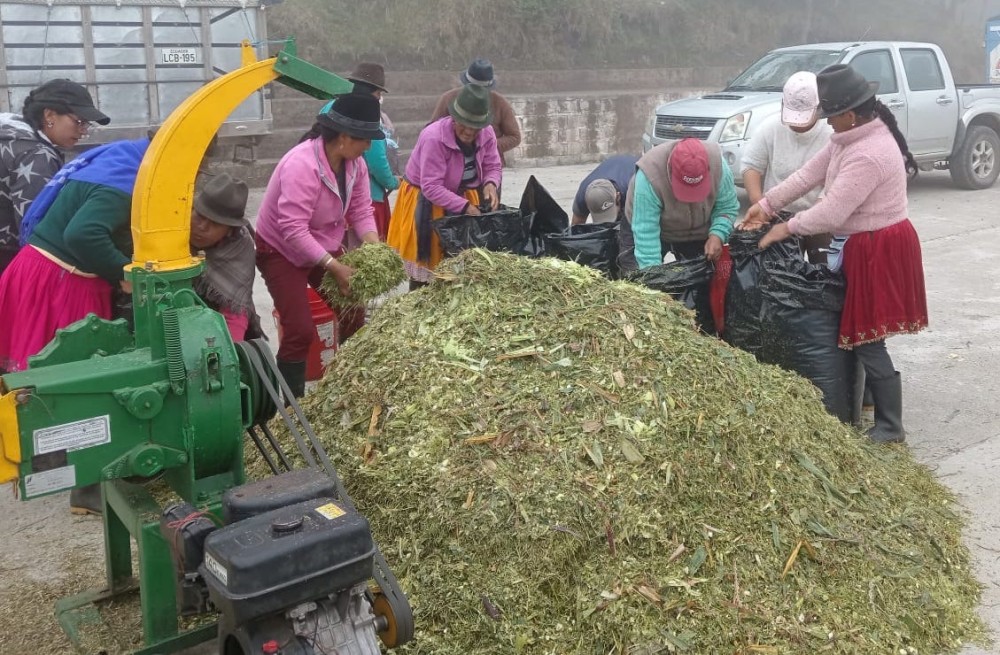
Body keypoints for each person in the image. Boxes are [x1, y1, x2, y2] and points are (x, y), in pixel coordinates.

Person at [741, 64, 927, 444]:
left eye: (831, 116)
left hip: (880, 247)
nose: (827, 124)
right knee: (862, 325)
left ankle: (891, 426)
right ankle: (873, 401)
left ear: (850, 114)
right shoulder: (849, 138)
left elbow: (831, 213)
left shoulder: (869, 153)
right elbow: (808, 174)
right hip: (862, 242)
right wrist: (767, 204)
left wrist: (783, 228)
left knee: (867, 333)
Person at [255, 93, 383, 398]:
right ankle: (289, 404)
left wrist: (375, 247)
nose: (369, 146)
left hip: (320, 244)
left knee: (353, 309)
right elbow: (292, 229)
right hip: (280, 249)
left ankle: (350, 385)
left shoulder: (355, 165)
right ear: (343, 137)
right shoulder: (302, 165)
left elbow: (361, 211)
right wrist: (335, 266)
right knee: (299, 328)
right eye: (365, 139)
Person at [0, 137, 148, 374]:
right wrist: (123, 273)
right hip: (58, 282)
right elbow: (84, 234)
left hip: (35, 268)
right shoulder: (123, 181)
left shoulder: (116, 159)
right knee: (52, 379)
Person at [386, 84, 502, 286]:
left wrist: (491, 184)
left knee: (465, 269)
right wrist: (466, 207)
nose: (469, 131)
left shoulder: (487, 133)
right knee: (429, 267)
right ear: (454, 117)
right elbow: (431, 187)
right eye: (464, 124)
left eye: (475, 126)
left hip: (467, 197)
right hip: (429, 202)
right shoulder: (434, 137)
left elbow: (492, 164)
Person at [0, 79, 110, 274]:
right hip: (8, 260)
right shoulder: (36, 154)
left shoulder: (10, 139)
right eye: (79, 121)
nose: (83, 131)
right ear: (49, 114)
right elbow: (37, 228)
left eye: (86, 124)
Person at [741, 71, 834, 264]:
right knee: (781, 271)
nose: (797, 125)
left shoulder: (831, 132)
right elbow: (751, 165)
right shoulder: (769, 128)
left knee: (826, 270)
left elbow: (835, 179)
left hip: (820, 214)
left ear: (818, 108)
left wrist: (819, 210)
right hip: (778, 213)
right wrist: (759, 202)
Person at [624, 137, 739, 269]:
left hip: (698, 229)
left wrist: (718, 234)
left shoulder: (719, 167)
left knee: (706, 280)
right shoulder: (650, 177)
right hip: (649, 227)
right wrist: (652, 278)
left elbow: (727, 207)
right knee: (634, 278)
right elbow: (646, 234)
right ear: (671, 171)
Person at [189, 173, 260, 341]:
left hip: (214, 324)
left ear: (230, 230)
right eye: (199, 216)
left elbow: (234, 311)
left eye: (215, 223)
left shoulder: (239, 247)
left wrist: (229, 353)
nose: (202, 227)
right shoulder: (168, 229)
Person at [340, 62, 400, 241]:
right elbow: (377, 161)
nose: (379, 98)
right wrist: (392, 182)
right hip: (367, 197)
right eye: (378, 94)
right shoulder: (367, 115)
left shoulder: (334, 107)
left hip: (340, 197)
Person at [430, 59, 521, 166]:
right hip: (452, 164)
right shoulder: (448, 98)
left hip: (488, 165)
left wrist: (487, 146)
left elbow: (515, 137)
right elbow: (432, 131)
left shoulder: (500, 103)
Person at [571, 154, 639, 225]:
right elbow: (576, 227)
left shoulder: (634, 188)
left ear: (618, 198)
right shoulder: (582, 195)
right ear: (587, 205)